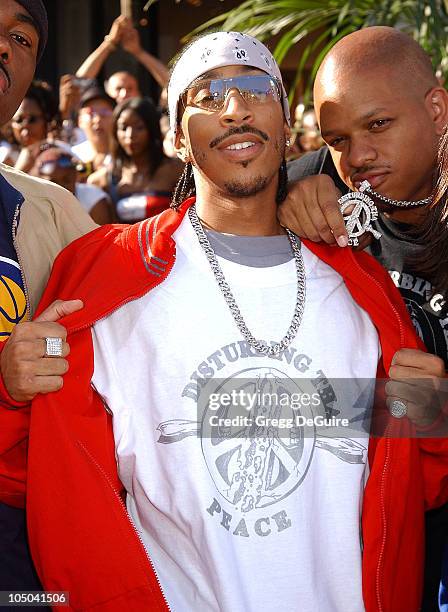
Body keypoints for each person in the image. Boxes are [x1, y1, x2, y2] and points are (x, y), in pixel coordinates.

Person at [1, 30, 447, 611]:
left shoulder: (365, 291)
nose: (235, 108)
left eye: (255, 90)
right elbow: (37, 476)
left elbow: (416, 479)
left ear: (288, 128)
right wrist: (11, 390)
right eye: (207, 96)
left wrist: (435, 415)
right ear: (175, 138)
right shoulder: (104, 280)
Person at [280, 26, 448, 610]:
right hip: (371, 528)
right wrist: (281, 207)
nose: (357, 158)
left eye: (378, 125)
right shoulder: (311, 185)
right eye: (337, 139)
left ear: (436, 107)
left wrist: (437, 408)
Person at [0, 0, 97, 596]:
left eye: (21, 37)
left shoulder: (54, 208)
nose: (3, 46)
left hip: (23, 539)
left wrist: (291, 190)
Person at [88, 96, 182, 222]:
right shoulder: (103, 180)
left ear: (152, 129)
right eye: (123, 128)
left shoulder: (175, 171)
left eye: (139, 127)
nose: (130, 135)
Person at [76, 15, 169, 104]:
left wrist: (138, 52)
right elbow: (79, 82)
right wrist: (109, 42)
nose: (124, 94)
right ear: (107, 92)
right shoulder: (98, 117)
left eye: (130, 89)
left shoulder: (150, 117)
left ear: (139, 94)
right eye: (118, 88)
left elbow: (171, 83)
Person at [31, 144, 113, 224]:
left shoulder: (93, 197)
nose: (61, 187)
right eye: (54, 183)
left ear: (75, 175)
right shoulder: (34, 207)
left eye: (66, 180)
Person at [72, 86, 115, 175]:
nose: (98, 119)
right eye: (91, 113)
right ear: (79, 121)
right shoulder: (73, 156)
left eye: (105, 112)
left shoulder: (124, 157)